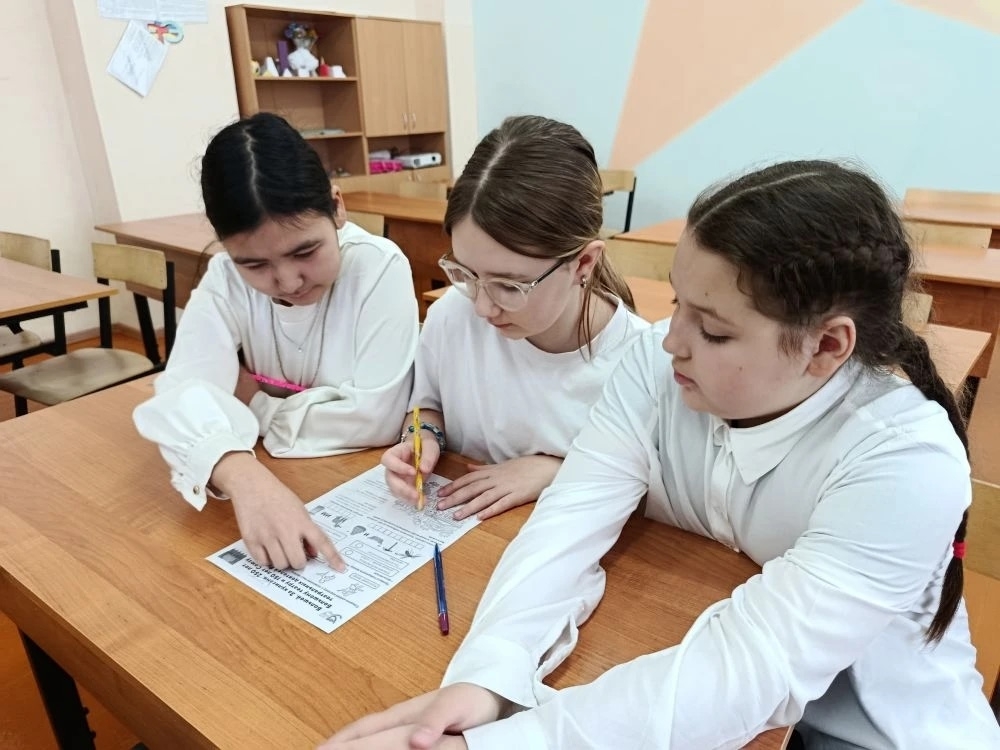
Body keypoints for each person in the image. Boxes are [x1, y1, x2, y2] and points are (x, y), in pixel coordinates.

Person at [320, 160, 1000, 749]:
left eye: (712, 330)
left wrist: (513, 740)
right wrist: (488, 674)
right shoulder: (657, 366)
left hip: (873, 731)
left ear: (826, 346)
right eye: (678, 304)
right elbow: (570, 518)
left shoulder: (903, 460)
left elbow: (751, 665)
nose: (670, 340)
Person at [133, 112, 418, 572]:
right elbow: (181, 392)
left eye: (305, 251)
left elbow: (375, 419)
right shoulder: (224, 276)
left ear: (337, 207)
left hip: (356, 479)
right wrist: (241, 473)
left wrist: (252, 405)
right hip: (285, 473)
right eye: (254, 265)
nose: (287, 281)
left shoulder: (379, 267)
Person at [379, 115, 648, 521]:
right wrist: (423, 439)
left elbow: (646, 492)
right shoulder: (452, 315)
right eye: (466, 273)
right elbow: (427, 408)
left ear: (583, 263)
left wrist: (555, 470)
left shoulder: (639, 365)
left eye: (509, 285)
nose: (483, 307)